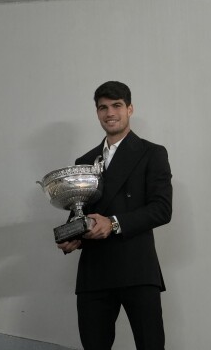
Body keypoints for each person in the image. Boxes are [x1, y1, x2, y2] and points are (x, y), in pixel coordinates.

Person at [57, 81, 173, 350]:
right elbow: (81, 212)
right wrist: (71, 235)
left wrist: (114, 224)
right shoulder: (84, 161)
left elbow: (162, 209)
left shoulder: (152, 153)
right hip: (94, 273)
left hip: (137, 269)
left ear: (130, 109)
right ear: (97, 113)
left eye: (117, 106)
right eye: (103, 108)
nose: (110, 113)